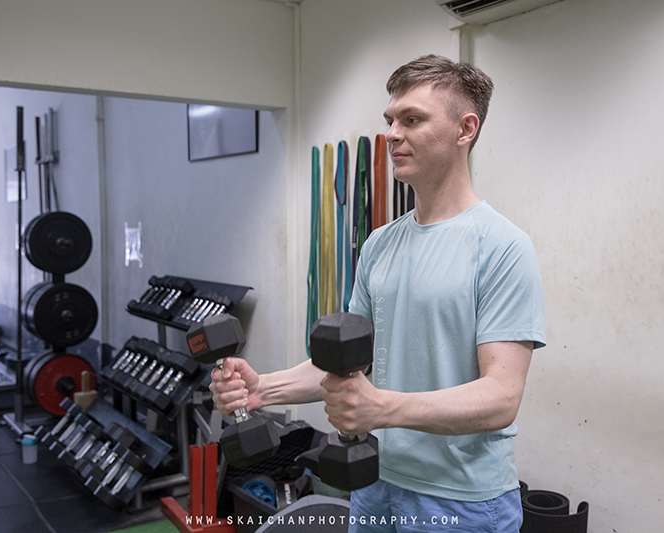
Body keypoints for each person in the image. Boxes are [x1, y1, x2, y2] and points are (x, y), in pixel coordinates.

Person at [211, 54, 546, 532]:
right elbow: (350, 367)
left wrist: (382, 408)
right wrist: (263, 388)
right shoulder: (380, 244)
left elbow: (501, 398)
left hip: (461, 500)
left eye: (412, 119)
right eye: (390, 120)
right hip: (375, 482)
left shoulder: (502, 247)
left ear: (465, 129)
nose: (393, 133)